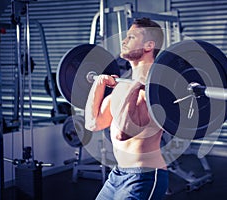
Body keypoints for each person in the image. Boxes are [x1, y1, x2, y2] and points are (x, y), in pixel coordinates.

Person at [84, 18, 168, 200]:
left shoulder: (155, 88)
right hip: (117, 174)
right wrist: (99, 84)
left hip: (144, 176)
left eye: (131, 37)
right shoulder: (124, 85)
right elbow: (93, 123)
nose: (123, 41)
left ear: (149, 45)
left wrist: (134, 87)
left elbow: (124, 132)